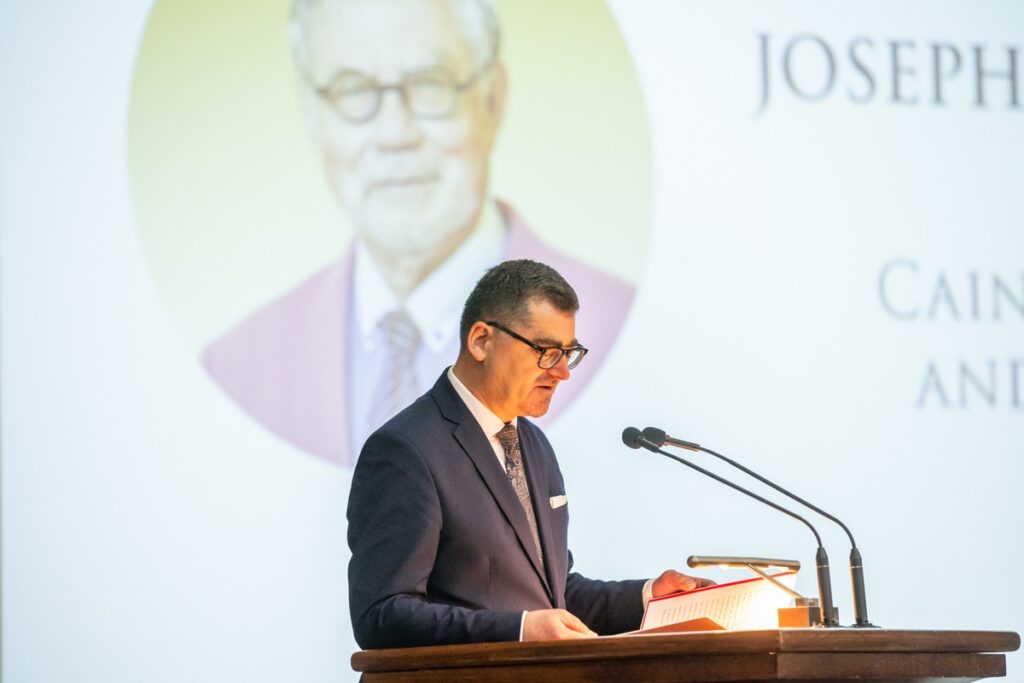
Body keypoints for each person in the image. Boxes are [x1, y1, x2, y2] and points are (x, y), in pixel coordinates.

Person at [201, 0, 634, 466]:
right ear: (311, 114)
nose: (394, 134)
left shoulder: (620, 329)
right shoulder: (234, 367)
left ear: (493, 98)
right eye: (352, 89)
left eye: (431, 84)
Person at [347, 260, 709, 648]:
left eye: (568, 353)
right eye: (547, 351)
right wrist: (519, 631)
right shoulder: (406, 450)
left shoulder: (534, 445)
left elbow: (553, 596)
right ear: (481, 340)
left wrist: (648, 598)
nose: (562, 372)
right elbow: (382, 615)